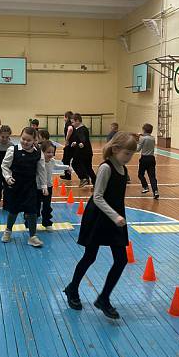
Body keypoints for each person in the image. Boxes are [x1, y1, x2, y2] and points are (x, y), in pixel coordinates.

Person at [63, 132, 137, 319]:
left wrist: (118, 215)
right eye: (127, 154)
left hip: (114, 218)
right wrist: (115, 216)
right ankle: (72, 288)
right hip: (98, 217)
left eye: (131, 154)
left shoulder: (123, 168)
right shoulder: (106, 167)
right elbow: (97, 197)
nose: (129, 158)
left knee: (121, 260)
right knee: (90, 256)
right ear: (116, 149)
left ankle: (104, 298)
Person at [1, 127, 47, 247]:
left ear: (34, 140)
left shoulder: (38, 153)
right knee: (13, 210)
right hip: (15, 186)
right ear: (20, 137)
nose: (25, 142)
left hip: (30, 186)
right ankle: (8, 231)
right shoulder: (13, 150)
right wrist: (8, 177)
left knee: (32, 211)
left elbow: (41, 170)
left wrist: (44, 185)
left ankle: (33, 236)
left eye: (29, 140)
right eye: (23, 139)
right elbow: (4, 166)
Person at [39, 140, 71, 230]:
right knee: (35, 205)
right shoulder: (39, 161)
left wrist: (67, 167)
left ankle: (47, 223)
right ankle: (29, 221)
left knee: (47, 206)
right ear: (42, 152)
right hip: (38, 187)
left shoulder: (52, 161)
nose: (50, 154)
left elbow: (56, 166)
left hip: (49, 187)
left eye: (52, 152)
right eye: (48, 152)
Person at [71, 113, 96, 187]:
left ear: (77, 121)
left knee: (75, 164)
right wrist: (76, 143)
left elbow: (83, 138)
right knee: (88, 168)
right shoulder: (81, 129)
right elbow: (81, 139)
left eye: (73, 122)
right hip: (87, 152)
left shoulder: (81, 130)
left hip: (83, 153)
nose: (72, 124)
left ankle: (84, 178)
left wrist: (82, 143)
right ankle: (95, 182)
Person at [137, 123, 159, 199]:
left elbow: (138, 149)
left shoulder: (142, 138)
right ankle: (155, 191)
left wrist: (137, 139)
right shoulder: (153, 138)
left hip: (144, 159)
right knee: (152, 177)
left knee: (140, 174)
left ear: (144, 130)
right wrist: (141, 135)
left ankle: (145, 187)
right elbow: (147, 137)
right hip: (152, 158)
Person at [60, 110, 74, 181]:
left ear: (66, 117)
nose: (64, 118)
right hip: (71, 145)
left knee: (66, 160)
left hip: (69, 145)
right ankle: (67, 175)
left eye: (64, 117)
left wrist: (67, 139)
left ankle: (68, 176)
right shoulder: (71, 123)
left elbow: (70, 129)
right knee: (66, 160)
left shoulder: (68, 123)